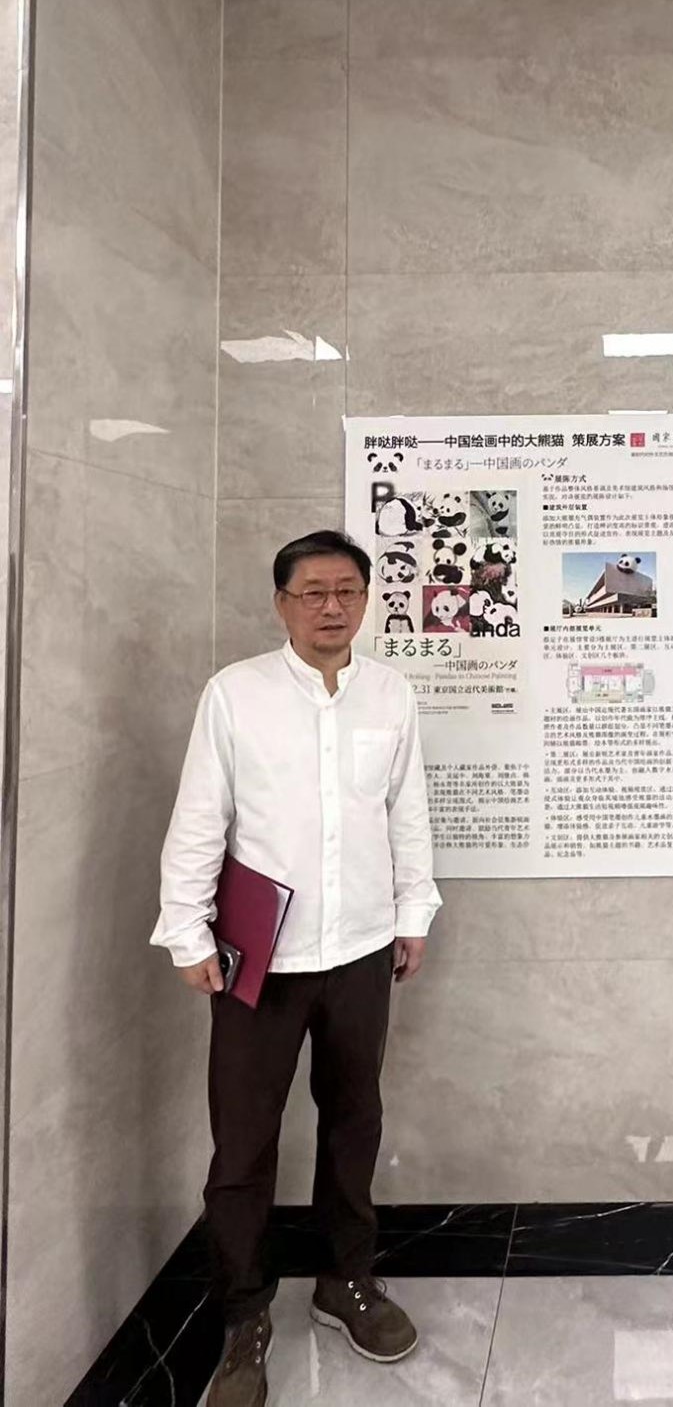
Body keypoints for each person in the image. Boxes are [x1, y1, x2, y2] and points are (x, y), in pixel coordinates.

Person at [152, 530, 441, 1406]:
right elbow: (201, 816)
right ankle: (244, 1316)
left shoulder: (390, 693)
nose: (331, 607)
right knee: (243, 1144)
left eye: (347, 590)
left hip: (361, 948)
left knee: (354, 1122)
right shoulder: (235, 694)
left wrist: (413, 913)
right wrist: (187, 931)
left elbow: (407, 812)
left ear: (366, 600)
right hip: (259, 959)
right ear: (282, 603)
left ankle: (345, 1281)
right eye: (312, 592)